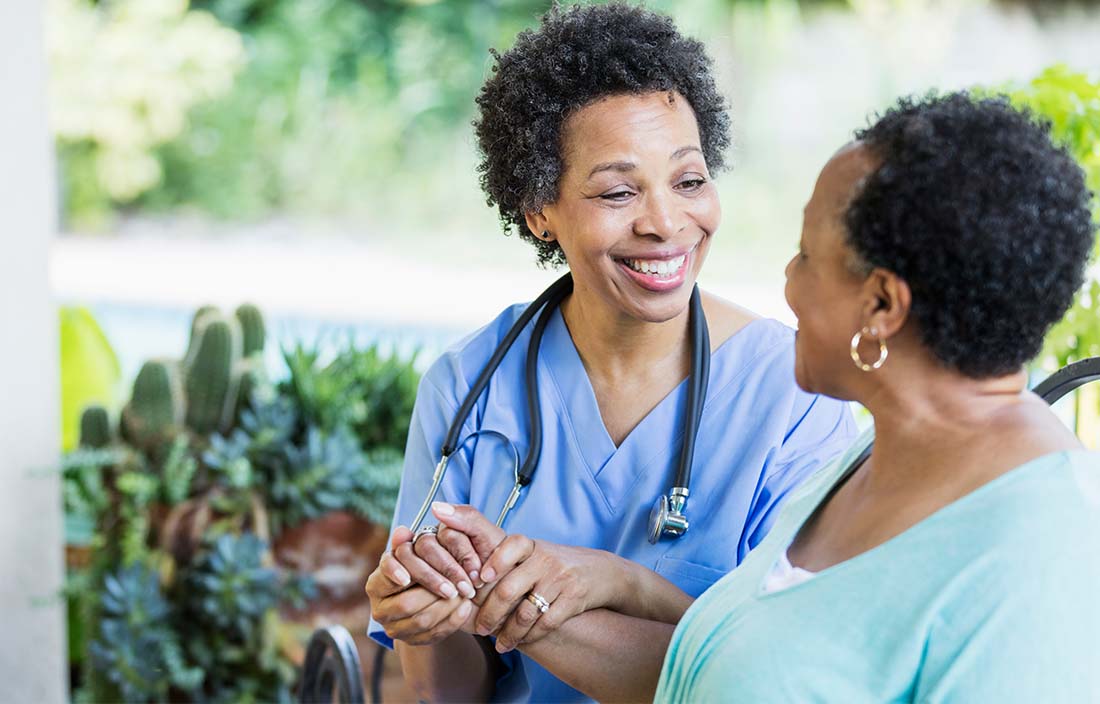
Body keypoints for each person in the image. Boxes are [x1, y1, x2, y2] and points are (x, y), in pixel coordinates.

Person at [364, 3, 855, 701]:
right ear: (539, 208)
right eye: (619, 191)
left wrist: (606, 587)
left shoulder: (796, 394)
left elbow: (787, 676)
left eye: (689, 180)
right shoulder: (469, 386)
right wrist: (429, 616)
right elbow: (449, 694)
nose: (664, 223)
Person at [656, 92, 1100, 701]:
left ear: (883, 305)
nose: (788, 280)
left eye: (808, 256)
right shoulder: (875, 456)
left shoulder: (1043, 557)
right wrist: (599, 591)